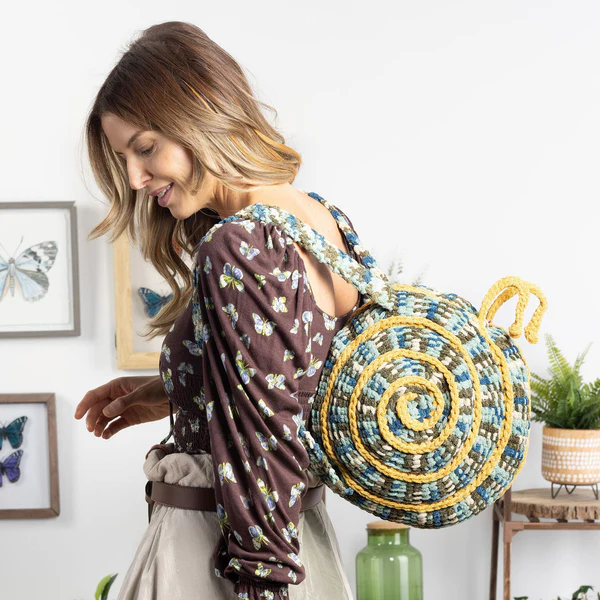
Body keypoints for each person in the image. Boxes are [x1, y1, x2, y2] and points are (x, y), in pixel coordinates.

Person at [74, 21, 361, 600]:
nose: (135, 178)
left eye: (145, 148)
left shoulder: (238, 245)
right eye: (125, 158)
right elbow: (293, 386)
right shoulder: (320, 219)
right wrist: (175, 389)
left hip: (218, 556)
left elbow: (264, 447)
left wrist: (261, 584)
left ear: (199, 113)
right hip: (303, 545)